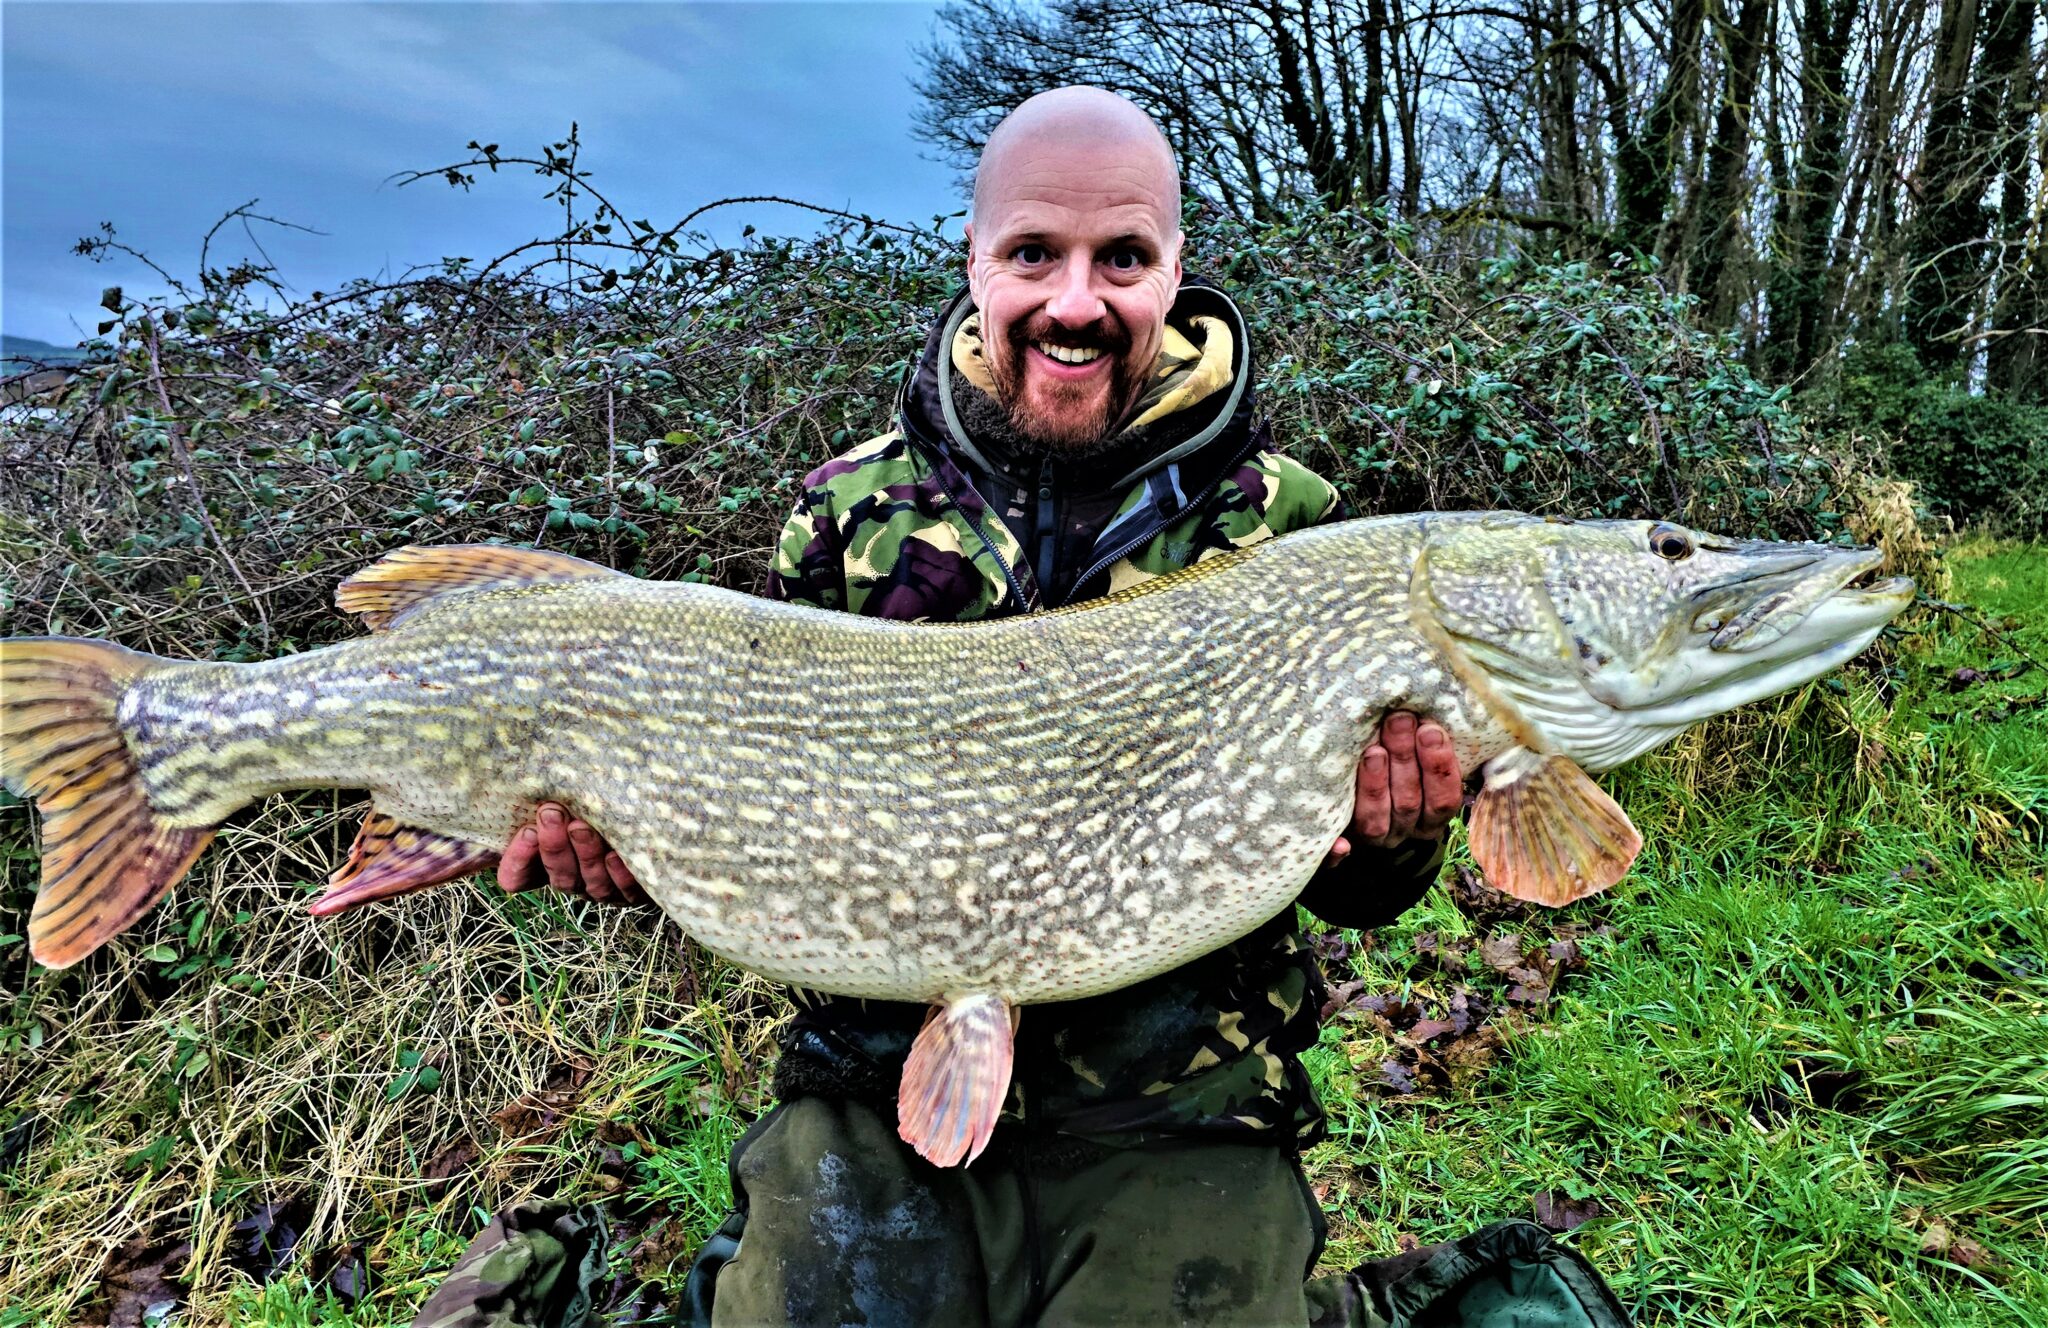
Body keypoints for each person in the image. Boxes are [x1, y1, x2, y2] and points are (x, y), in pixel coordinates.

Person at [459, 87, 1628, 1328]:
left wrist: (1397, 838)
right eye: (1034, 255)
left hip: (1181, 1099)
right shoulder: (849, 515)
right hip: (868, 1075)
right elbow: (755, 824)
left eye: (1120, 257)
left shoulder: (1284, 524)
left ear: (1173, 270)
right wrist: (627, 842)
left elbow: (1350, 883)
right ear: (974, 262)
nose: (1076, 301)